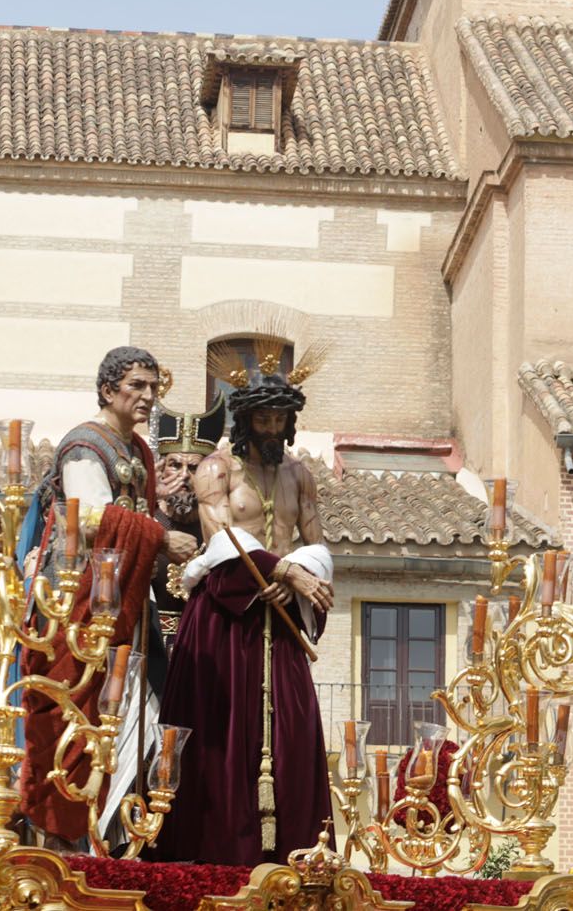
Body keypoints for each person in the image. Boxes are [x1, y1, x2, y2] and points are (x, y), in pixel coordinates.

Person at [152, 351, 334, 865]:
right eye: (263, 417)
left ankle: (293, 861)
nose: (273, 427)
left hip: (281, 619)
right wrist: (282, 570)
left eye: (281, 418)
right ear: (245, 418)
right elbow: (217, 540)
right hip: (223, 621)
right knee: (218, 736)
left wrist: (300, 579)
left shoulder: (300, 477)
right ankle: (210, 861)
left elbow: (317, 547)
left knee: (294, 738)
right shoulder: (216, 469)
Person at [17, 345, 177, 847]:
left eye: (154, 388)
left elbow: (137, 524)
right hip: (77, 606)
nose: (149, 397)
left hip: (122, 603)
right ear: (108, 390)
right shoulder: (85, 445)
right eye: (138, 386)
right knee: (72, 725)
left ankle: (115, 839)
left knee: (140, 716)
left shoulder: (139, 452)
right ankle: (63, 846)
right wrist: (160, 536)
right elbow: (88, 519)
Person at [149, 393, 224, 657]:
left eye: (193, 468)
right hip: (150, 649)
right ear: (160, 468)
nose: (184, 476)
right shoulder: (146, 520)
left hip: (206, 652)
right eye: (175, 465)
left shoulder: (218, 528)